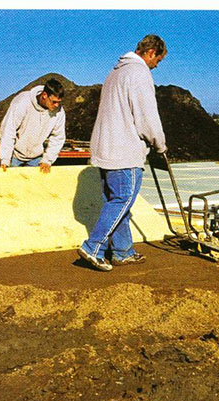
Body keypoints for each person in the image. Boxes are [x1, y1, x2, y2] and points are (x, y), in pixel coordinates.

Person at [78, 35, 168, 271]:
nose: (157, 65)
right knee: (123, 198)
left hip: (105, 146)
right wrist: (160, 144)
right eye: (158, 59)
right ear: (150, 53)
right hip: (124, 149)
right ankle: (93, 247)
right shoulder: (139, 73)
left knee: (115, 200)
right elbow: (147, 116)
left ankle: (122, 250)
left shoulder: (115, 72)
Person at [0, 78, 66, 174]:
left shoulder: (59, 112)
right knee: (13, 186)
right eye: (54, 102)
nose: (56, 105)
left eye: (59, 102)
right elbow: (8, 130)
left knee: (35, 188)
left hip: (36, 158)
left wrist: (47, 160)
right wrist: (5, 159)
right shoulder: (22, 102)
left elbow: (58, 137)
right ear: (44, 95)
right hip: (14, 156)